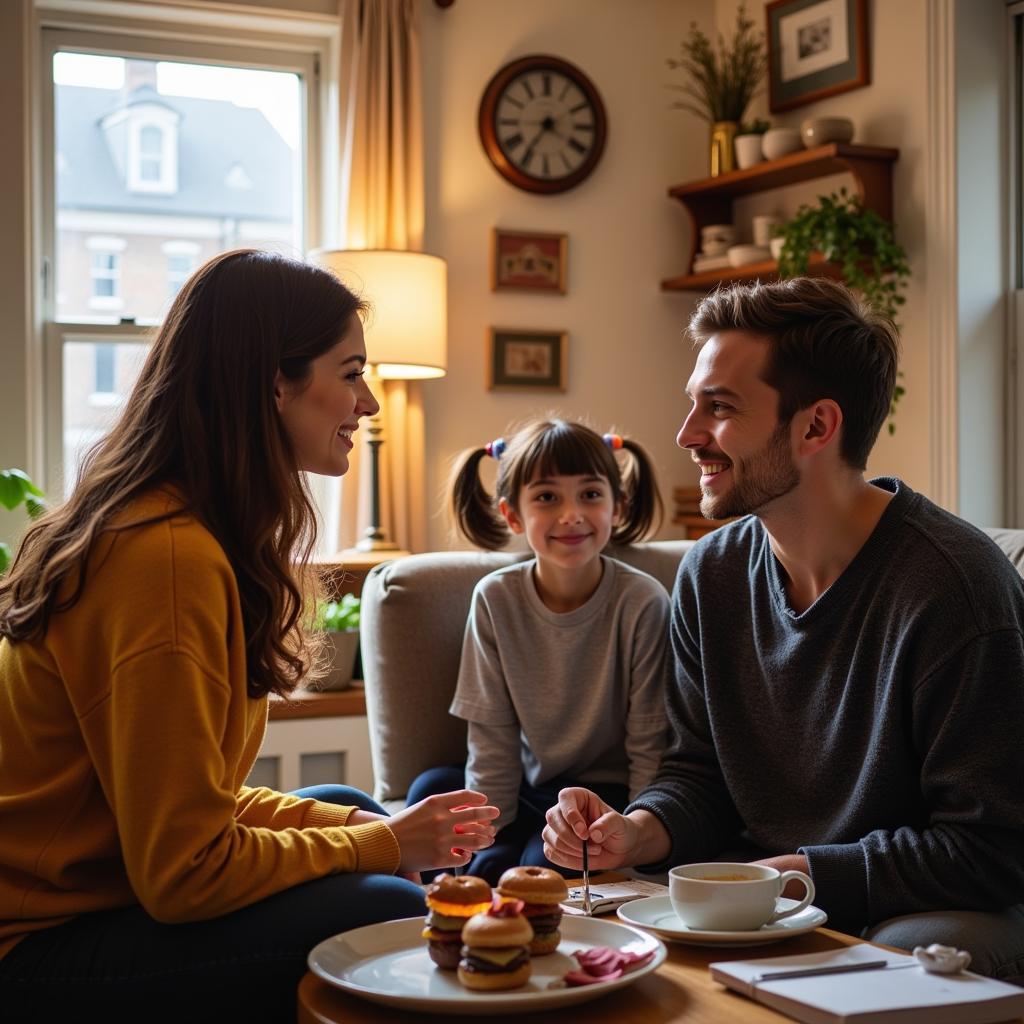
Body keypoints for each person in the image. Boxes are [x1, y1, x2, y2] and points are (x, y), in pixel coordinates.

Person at [0, 249, 499, 1021]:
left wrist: (377, 830)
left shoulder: (178, 527)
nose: (367, 402)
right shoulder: (163, 562)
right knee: (380, 899)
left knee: (345, 804)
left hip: (96, 890)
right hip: (33, 946)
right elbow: (185, 872)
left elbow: (202, 805)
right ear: (275, 383)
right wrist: (385, 845)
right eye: (351, 371)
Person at [543, 277, 1024, 982]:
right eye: (693, 405)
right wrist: (635, 832)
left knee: (901, 953)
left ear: (815, 427)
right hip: (761, 898)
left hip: (921, 905)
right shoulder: (712, 575)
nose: (686, 434)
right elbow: (697, 774)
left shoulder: (955, 590)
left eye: (720, 408)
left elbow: (992, 849)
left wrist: (795, 877)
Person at [406, 418, 671, 884]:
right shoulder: (495, 598)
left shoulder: (643, 602)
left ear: (617, 507)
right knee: (432, 790)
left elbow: (649, 742)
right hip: (530, 786)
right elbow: (491, 735)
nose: (571, 515)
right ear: (512, 515)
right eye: (547, 497)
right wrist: (480, 844)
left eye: (590, 494)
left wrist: (632, 836)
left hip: (603, 798)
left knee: (537, 865)